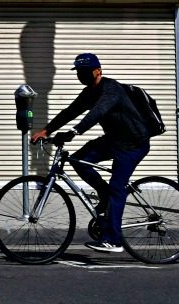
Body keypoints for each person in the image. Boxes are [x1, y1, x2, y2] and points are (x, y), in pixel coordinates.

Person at [30, 53, 150, 253]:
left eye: (85, 72)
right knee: (78, 160)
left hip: (133, 144)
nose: (82, 76)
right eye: (79, 73)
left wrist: (74, 132)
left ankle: (113, 240)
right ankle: (104, 195)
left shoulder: (112, 89)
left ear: (98, 71)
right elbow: (70, 111)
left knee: (117, 188)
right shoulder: (89, 92)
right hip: (113, 141)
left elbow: (97, 113)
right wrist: (46, 130)